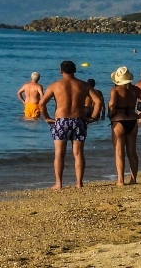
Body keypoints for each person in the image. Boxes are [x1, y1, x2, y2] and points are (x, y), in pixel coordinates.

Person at [37, 60, 95, 190]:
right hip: (78, 120)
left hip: (61, 121)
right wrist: (93, 117)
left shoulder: (55, 86)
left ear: (61, 71)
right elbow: (98, 101)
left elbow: (41, 103)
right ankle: (79, 183)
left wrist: (47, 117)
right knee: (78, 153)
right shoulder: (83, 85)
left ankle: (59, 184)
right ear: (75, 70)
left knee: (59, 153)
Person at [108, 67, 141, 186]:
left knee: (119, 152)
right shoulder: (135, 89)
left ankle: (120, 180)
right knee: (132, 152)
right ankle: (133, 179)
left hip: (119, 121)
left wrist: (110, 115)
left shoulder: (115, 90)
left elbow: (112, 104)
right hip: (132, 121)